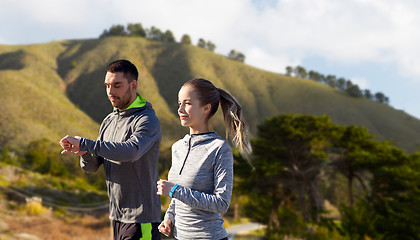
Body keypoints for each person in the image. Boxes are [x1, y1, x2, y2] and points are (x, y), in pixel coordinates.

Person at [59, 59, 162, 240]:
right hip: (116, 217)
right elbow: (91, 167)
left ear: (133, 85)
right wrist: (84, 154)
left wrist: (85, 143)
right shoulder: (109, 121)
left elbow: (131, 151)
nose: (110, 92)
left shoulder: (147, 120)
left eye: (117, 85)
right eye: (107, 86)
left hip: (141, 218)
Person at [156, 78, 252, 240]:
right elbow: (178, 196)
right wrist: (169, 218)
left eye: (187, 103)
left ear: (206, 108)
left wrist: (173, 190)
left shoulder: (219, 149)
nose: (180, 109)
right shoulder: (177, 147)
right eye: (179, 103)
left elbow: (221, 203)